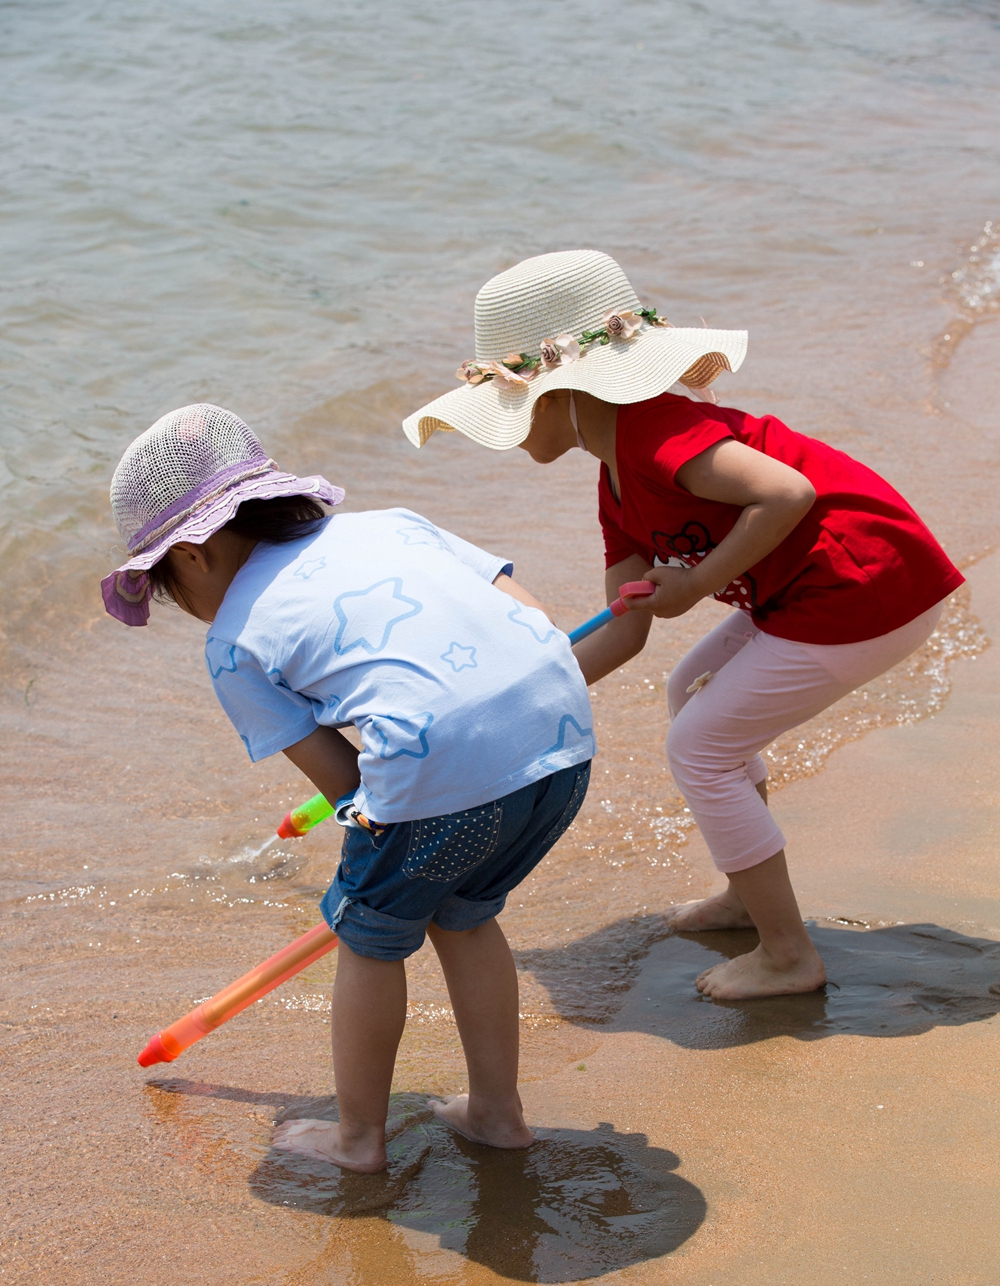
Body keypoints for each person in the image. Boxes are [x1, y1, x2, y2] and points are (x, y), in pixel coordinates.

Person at [403, 250, 964, 1003]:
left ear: (557, 392)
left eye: (508, 404)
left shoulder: (654, 431)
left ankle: (788, 955)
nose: (498, 432)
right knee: (688, 693)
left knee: (699, 746)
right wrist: (511, 700)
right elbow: (623, 628)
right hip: (811, 595)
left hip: (866, 587)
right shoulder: (614, 481)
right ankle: (748, 898)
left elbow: (787, 493)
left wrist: (697, 582)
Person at [101, 403, 594, 1172]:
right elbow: (534, 618)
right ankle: (497, 1113)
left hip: (451, 772)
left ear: (191, 556)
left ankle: (358, 1137)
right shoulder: (392, 524)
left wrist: (376, 869)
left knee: (368, 937)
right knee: (465, 917)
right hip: (562, 741)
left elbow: (340, 781)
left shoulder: (232, 643)